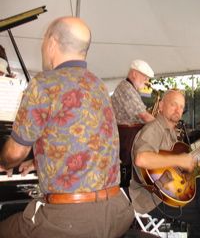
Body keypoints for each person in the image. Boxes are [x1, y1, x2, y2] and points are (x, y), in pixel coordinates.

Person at [0, 16, 134, 238]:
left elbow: (13, 153)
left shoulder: (44, 84)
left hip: (73, 221)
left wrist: (4, 162)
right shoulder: (98, 85)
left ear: (51, 42)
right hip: (117, 212)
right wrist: (38, 161)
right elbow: (85, 141)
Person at [130, 89, 200, 238]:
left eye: (181, 107)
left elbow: (186, 171)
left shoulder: (172, 134)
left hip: (172, 191)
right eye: (174, 104)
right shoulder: (154, 129)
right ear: (161, 106)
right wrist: (178, 159)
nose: (178, 110)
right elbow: (141, 159)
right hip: (152, 196)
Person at [111, 59, 155, 187]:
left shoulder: (129, 88)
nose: (146, 81)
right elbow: (144, 116)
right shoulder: (126, 89)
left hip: (128, 140)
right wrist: (162, 125)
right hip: (127, 141)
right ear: (134, 74)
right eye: (145, 77)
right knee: (127, 179)